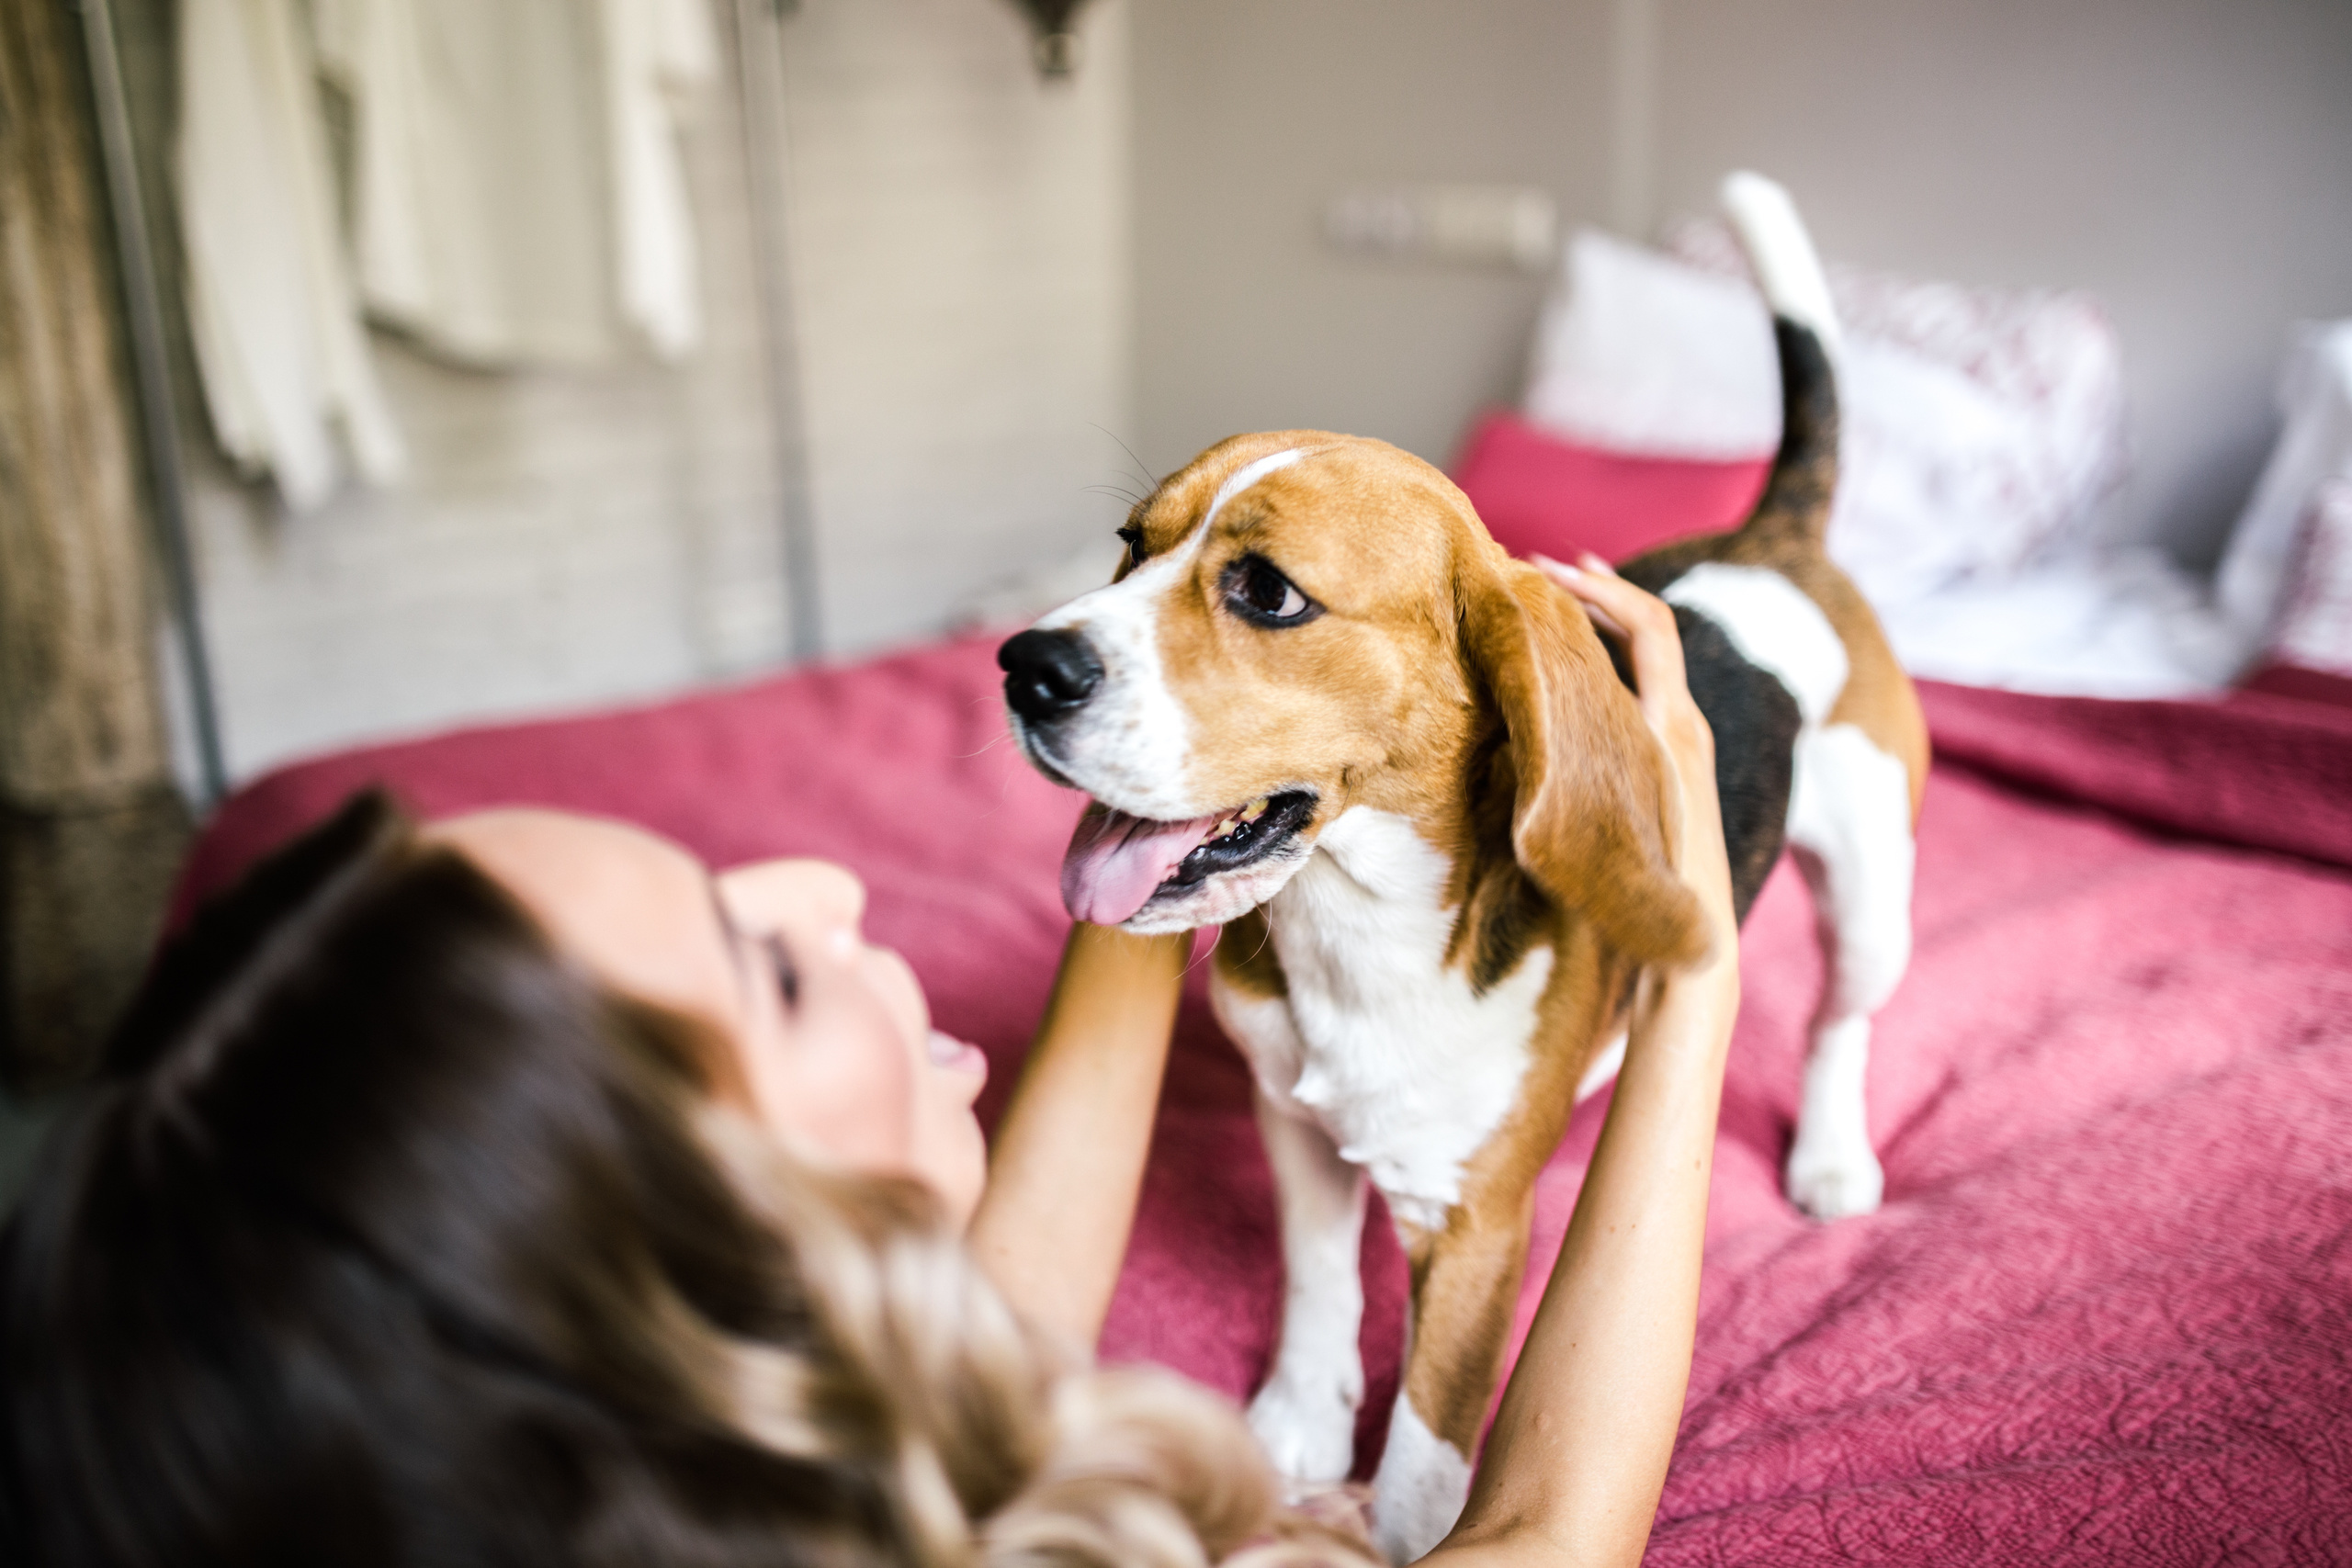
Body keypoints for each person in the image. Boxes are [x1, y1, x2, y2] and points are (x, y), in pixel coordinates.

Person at [0, 557, 1740, 1568]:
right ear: (698, 1304)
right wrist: (1695, 958)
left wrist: (1172, 782)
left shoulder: (786, 1479)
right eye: (757, 968)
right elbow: (1543, 1547)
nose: (826, 886)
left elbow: (1001, 1307)